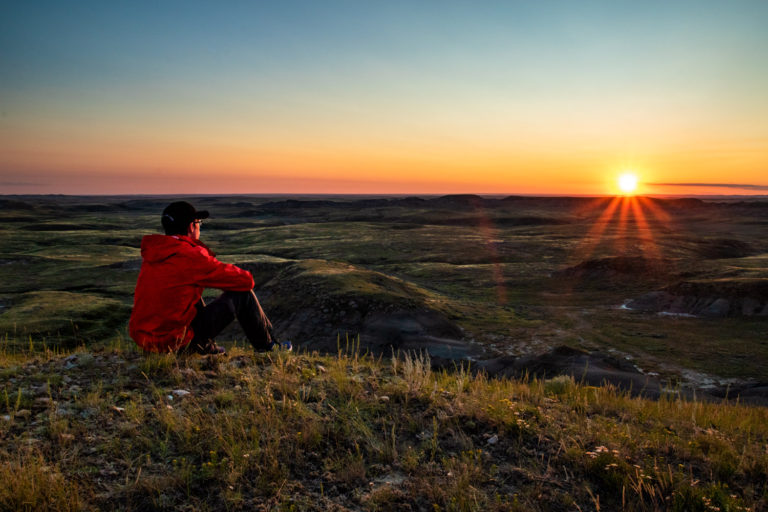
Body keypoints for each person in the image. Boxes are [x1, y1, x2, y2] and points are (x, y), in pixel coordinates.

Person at [128, 200, 290, 355]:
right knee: (243, 295)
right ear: (191, 226)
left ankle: (205, 347)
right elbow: (246, 281)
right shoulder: (189, 255)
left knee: (192, 295)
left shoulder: (155, 253)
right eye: (199, 223)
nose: (199, 228)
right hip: (174, 342)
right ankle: (268, 348)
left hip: (147, 342)